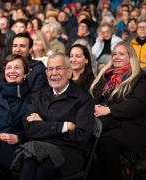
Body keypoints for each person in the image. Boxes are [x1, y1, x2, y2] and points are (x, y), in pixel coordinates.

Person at [10, 52, 95, 180]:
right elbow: (30, 130)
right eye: (50, 69)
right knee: (32, 161)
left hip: (70, 153)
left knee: (38, 162)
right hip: (39, 149)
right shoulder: (38, 95)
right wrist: (63, 126)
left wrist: (42, 126)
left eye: (59, 68)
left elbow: (80, 137)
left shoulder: (84, 99)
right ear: (46, 73)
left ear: (70, 72)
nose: (53, 73)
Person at [89, 41, 146, 180]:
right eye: (114, 54)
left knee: (104, 144)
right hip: (106, 124)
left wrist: (109, 110)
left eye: (121, 54)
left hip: (131, 127)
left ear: (131, 57)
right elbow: (96, 97)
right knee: (80, 140)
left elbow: (138, 103)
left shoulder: (140, 77)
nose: (116, 57)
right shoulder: (106, 76)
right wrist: (95, 107)